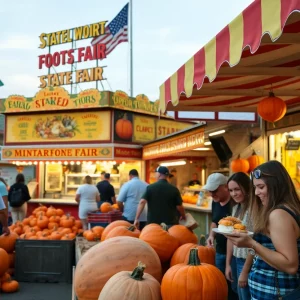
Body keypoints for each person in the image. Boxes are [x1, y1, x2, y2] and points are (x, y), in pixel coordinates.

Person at [226, 161, 300, 300]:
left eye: (261, 187)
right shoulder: (285, 210)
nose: (256, 193)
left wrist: (251, 244)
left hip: (276, 293)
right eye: (255, 187)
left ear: (276, 186)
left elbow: (290, 265)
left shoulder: (278, 214)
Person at [204, 172, 238, 300]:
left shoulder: (235, 202)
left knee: (234, 287)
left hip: (235, 252)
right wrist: (212, 235)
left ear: (225, 187)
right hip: (220, 250)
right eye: (210, 191)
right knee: (221, 283)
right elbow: (215, 221)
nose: (212, 194)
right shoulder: (215, 202)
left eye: (215, 191)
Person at [226, 172, 252, 300]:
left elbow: (255, 243)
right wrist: (228, 263)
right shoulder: (236, 208)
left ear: (246, 188)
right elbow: (230, 238)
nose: (233, 193)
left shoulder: (254, 209)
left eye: (237, 189)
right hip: (236, 260)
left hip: (249, 261)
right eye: (231, 190)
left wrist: (245, 271)